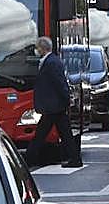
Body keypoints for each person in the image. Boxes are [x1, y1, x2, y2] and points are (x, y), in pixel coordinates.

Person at [25, 36, 82, 168]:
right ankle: (75, 159)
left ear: (43, 48)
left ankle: (28, 160)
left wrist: (66, 99)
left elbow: (59, 83)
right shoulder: (50, 61)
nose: (36, 50)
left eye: (38, 47)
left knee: (40, 136)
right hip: (55, 106)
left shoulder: (52, 62)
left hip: (53, 106)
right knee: (65, 134)